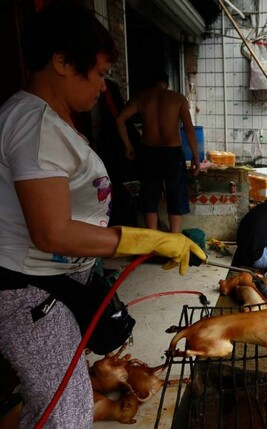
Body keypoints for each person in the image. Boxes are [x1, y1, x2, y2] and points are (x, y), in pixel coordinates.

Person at [0, 4, 206, 428]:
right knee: (66, 412)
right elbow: (51, 231)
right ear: (61, 62)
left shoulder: (55, 120)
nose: (101, 87)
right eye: (96, 73)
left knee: (63, 398)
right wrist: (145, 239)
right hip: (30, 291)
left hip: (56, 283)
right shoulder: (33, 122)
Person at [116, 70, 203, 233]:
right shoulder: (178, 99)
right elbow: (189, 129)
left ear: (152, 84)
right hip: (173, 153)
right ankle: (174, 237)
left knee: (150, 197)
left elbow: (119, 119)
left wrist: (128, 146)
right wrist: (196, 157)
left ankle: (152, 237)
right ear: (167, 84)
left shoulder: (142, 98)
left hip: (149, 152)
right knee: (176, 195)